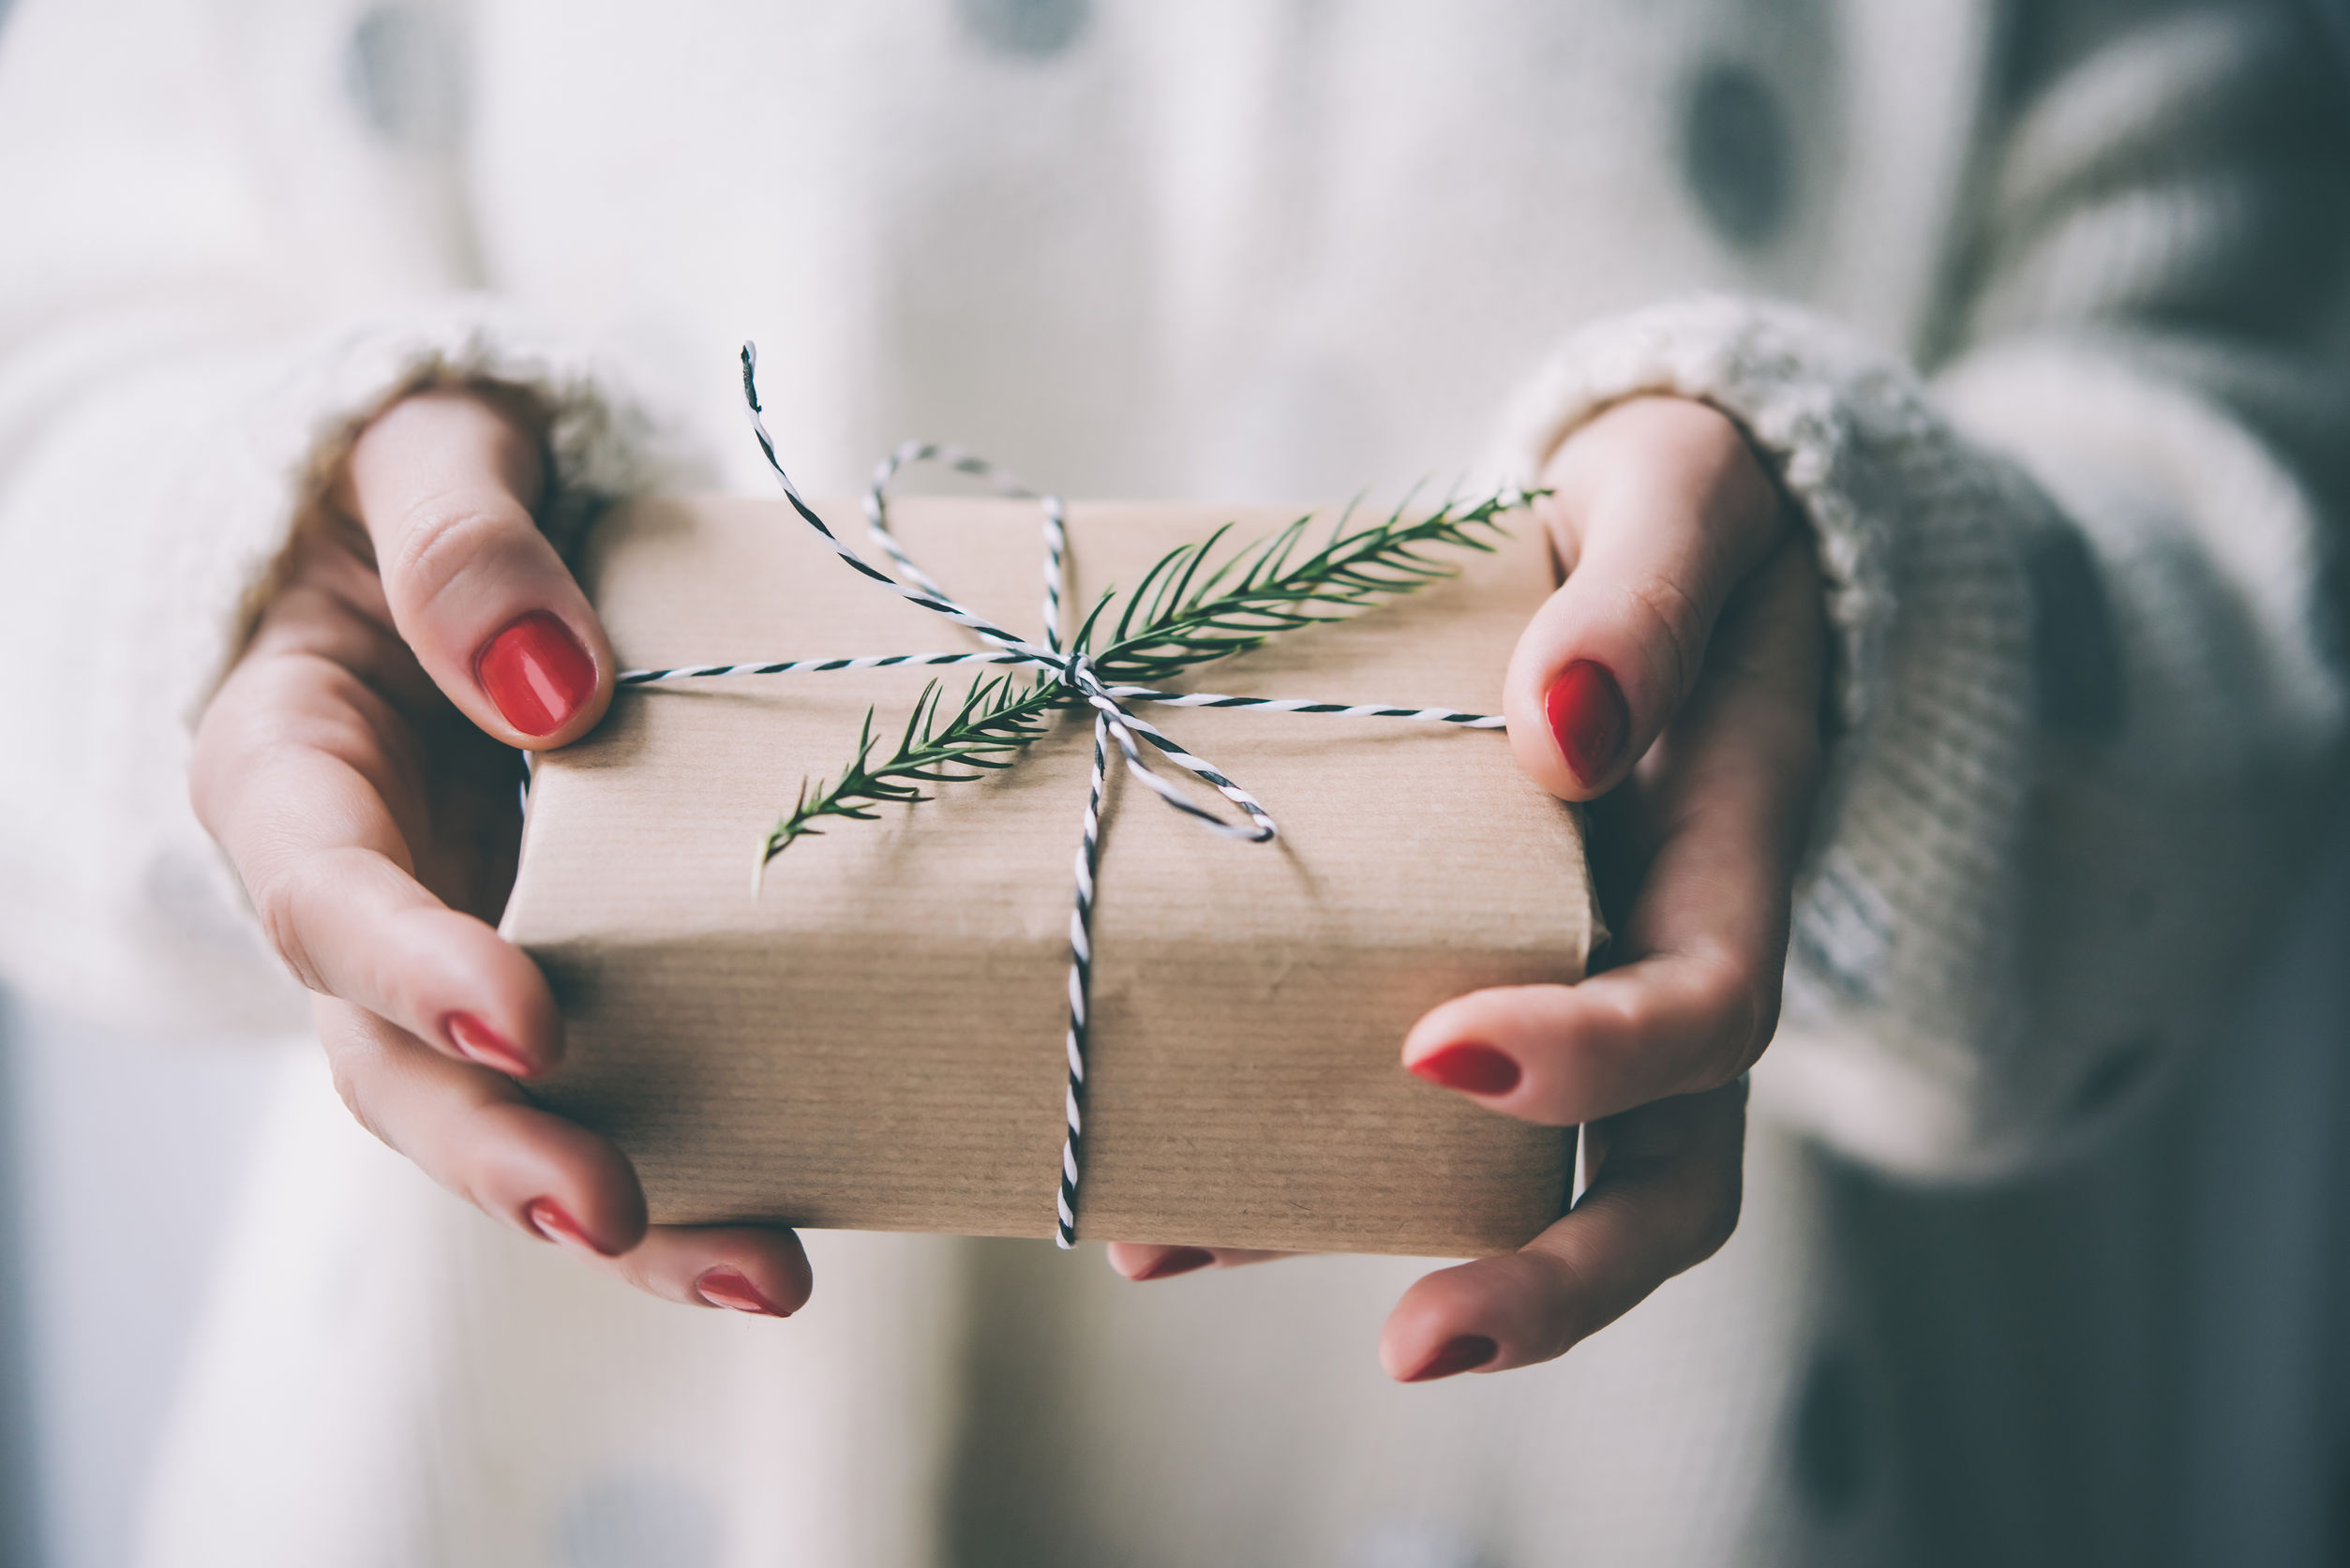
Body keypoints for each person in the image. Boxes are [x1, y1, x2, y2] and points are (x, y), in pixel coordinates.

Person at [2, 1, 2345, 1562]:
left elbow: (2254, 531)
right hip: (545, 1465)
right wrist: (264, 577)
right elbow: (60, 382)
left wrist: (1867, 629)